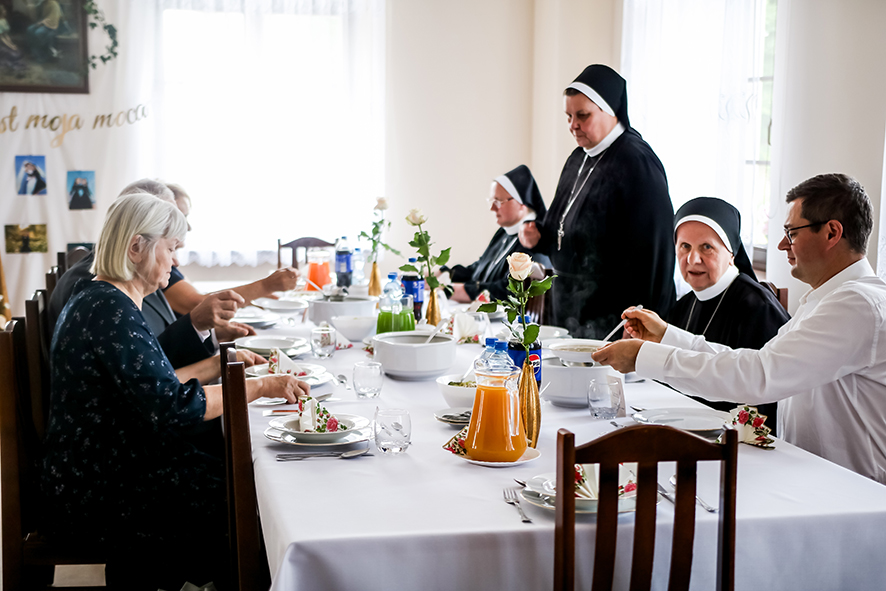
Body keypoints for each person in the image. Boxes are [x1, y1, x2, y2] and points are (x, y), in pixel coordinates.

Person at [41, 194, 310, 589]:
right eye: (172, 249)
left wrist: (225, 372)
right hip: (98, 486)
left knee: (241, 476)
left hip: (103, 463)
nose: (177, 261)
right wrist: (260, 386)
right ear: (136, 247)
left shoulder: (107, 300)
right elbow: (175, 407)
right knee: (246, 497)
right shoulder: (109, 310)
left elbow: (156, 387)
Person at [592, 173, 886, 484]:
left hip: (852, 490)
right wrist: (666, 336)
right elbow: (749, 359)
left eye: (792, 232)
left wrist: (644, 357)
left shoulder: (856, 304)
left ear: (831, 232)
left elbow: (758, 375)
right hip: (811, 475)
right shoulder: (828, 298)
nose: (782, 244)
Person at [519, 64, 675, 338]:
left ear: (611, 111)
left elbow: (654, 255)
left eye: (582, 115)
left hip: (614, 315)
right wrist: (537, 235)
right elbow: (561, 225)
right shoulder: (578, 157)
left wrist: (641, 320)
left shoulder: (636, 162)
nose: (573, 125)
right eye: (568, 116)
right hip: (568, 307)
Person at [48, 178, 251, 369]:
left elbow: (150, 352)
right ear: (137, 242)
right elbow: (151, 375)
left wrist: (208, 334)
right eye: (168, 222)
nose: (176, 259)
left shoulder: (134, 275)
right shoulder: (102, 293)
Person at [668, 197, 790, 432]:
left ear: (731, 252)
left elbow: (766, 401)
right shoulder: (684, 304)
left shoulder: (758, 308)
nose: (693, 259)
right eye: (685, 247)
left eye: (707, 247)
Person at [160, 181, 301, 316]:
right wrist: (266, 286)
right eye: (181, 218)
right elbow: (197, 304)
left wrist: (254, 296)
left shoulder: (169, 262)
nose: (188, 227)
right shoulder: (159, 265)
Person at [444, 165, 550, 302]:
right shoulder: (503, 233)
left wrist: (449, 290)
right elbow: (480, 267)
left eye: (498, 202)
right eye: (491, 201)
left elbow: (508, 290)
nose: (492, 208)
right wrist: (446, 273)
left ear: (522, 201)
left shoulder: (532, 238)